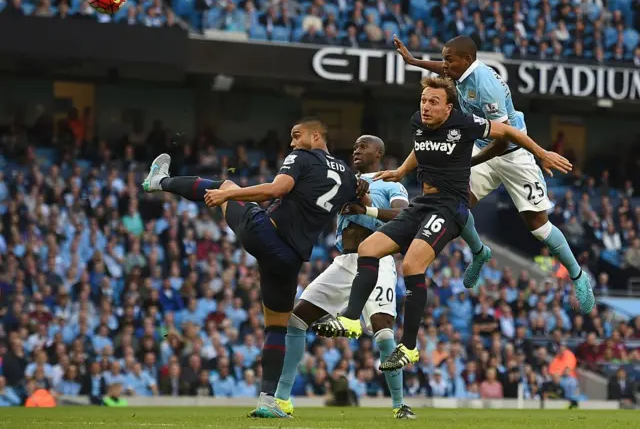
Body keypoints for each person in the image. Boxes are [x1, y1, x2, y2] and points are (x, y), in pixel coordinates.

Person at [314, 77, 571, 371]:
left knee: (411, 265)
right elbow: (419, 147)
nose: (426, 106)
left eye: (433, 102)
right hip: (423, 202)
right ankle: (350, 318)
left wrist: (541, 154)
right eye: (423, 100)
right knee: (369, 248)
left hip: (451, 206)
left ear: (449, 108)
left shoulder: (465, 123)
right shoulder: (418, 123)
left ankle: (408, 348)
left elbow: (509, 132)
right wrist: (400, 171)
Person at [142, 119, 359, 418]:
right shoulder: (348, 177)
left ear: (316, 135)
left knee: (225, 185)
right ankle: (267, 400)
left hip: (264, 233)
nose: (293, 143)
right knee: (276, 327)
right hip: (290, 259)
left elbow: (275, 190)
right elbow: (361, 200)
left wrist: (229, 195)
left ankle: (159, 182)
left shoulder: (302, 157)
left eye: (297, 136)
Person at [393, 35, 594, 315]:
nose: (444, 64)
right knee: (455, 205)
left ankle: (577, 276)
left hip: (513, 152)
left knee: (538, 226)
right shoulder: (463, 72)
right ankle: (479, 252)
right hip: (484, 146)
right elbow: (444, 70)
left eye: (449, 59)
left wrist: (472, 160)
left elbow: (502, 140)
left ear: (467, 60)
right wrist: (414, 61)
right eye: (444, 58)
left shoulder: (485, 86)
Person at [273, 135, 415, 419]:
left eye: (364, 146)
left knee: (383, 330)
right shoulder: (346, 181)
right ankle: (282, 400)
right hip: (345, 261)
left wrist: (367, 207)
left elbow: (403, 215)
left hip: (377, 259)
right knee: (297, 318)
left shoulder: (390, 183)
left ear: (380, 152)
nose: (357, 150)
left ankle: (400, 405)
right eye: (355, 147)